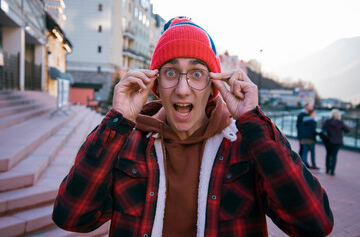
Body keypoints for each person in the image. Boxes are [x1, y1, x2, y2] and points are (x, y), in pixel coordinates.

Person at [52, 17, 333, 237]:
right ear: (156, 86)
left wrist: (252, 120)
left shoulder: (245, 147)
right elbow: (72, 216)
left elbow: (314, 223)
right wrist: (117, 121)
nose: (183, 89)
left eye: (197, 73)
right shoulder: (128, 144)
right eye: (171, 73)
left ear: (212, 86)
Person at [322, 109, 350, 175]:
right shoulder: (340, 122)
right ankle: (332, 171)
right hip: (337, 142)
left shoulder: (327, 121)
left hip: (328, 141)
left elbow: (323, 130)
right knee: (334, 156)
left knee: (328, 155)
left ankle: (327, 170)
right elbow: (347, 130)